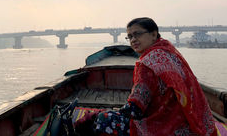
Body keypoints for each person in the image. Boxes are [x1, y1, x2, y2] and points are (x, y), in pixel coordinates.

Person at [75, 17, 217, 136]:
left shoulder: (147, 63)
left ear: (154, 34)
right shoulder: (170, 52)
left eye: (137, 34)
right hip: (187, 123)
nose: (133, 40)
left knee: (103, 120)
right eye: (130, 36)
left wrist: (102, 113)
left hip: (163, 127)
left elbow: (135, 109)